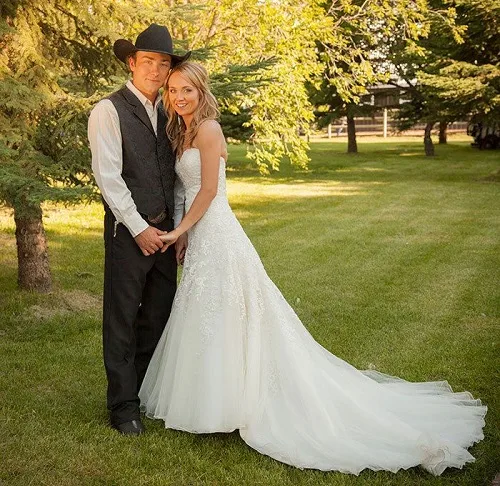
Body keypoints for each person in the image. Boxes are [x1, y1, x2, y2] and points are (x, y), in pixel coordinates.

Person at [139, 61, 486, 475]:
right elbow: (187, 187)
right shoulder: (183, 131)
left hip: (220, 233)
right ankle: (215, 400)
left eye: (187, 90)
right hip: (202, 236)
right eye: (173, 90)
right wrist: (187, 236)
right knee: (211, 314)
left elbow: (211, 190)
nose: (179, 97)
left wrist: (180, 231)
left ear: (202, 91)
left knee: (231, 311)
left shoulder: (209, 129)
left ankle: (241, 401)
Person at [88, 24, 190, 435]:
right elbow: (109, 177)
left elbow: (180, 175)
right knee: (123, 318)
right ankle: (123, 407)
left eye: (163, 63)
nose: (155, 70)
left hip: (166, 234)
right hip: (129, 234)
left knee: (159, 315)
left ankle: (145, 391)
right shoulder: (107, 111)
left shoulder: (171, 111)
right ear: (132, 63)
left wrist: (179, 228)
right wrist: (138, 227)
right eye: (148, 61)